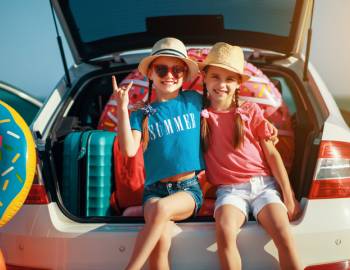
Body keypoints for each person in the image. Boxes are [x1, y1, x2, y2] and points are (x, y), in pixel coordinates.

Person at [200, 42, 302, 270]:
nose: (222, 85)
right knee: (225, 232)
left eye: (230, 79)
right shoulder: (198, 115)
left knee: (283, 233)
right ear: (204, 77)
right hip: (230, 190)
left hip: (263, 186)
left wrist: (289, 195)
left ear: (238, 84)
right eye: (215, 76)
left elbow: (272, 154)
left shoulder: (249, 111)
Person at [113, 37, 204, 270]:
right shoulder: (142, 114)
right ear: (150, 74)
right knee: (160, 240)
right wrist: (122, 109)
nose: (169, 75)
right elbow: (129, 149)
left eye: (177, 70)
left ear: (184, 74)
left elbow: (226, 108)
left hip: (187, 189)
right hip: (154, 191)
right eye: (162, 69)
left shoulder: (194, 101)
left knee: (161, 211)